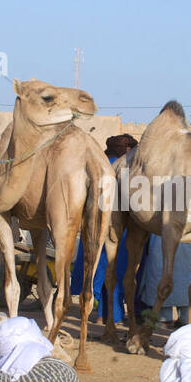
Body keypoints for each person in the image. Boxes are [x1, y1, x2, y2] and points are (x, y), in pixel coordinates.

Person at [70, 134, 138, 325]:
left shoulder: (99, 163)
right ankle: (110, 316)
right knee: (115, 269)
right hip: (116, 226)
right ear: (127, 150)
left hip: (92, 224)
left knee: (95, 268)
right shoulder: (124, 168)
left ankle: (97, 313)